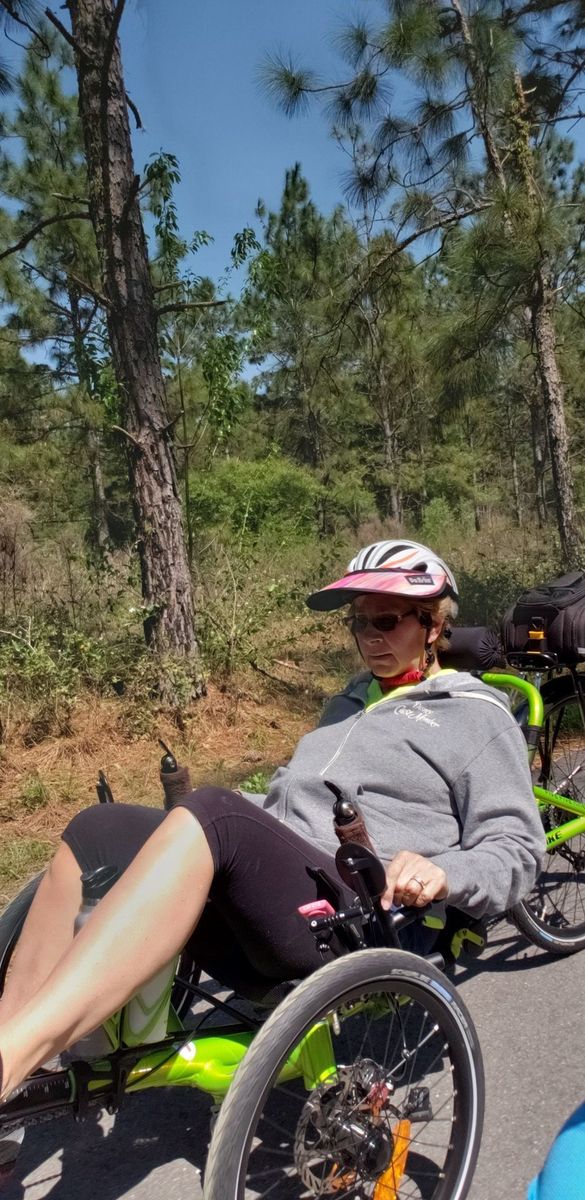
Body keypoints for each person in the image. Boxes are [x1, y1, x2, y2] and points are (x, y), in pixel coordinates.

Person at [0, 538, 545, 1104]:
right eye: (359, 623)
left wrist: (445, 871)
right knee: (99, 828)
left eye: (386, 621)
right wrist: (199, 822)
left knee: (215, 813)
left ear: (433, 625)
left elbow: (517, 849)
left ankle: (13, 1059)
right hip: (270, 892)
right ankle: (11, 1050)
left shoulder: (474, 715)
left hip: (352, 912)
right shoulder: (348, 701)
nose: (369, 637)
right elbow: (290, 805)